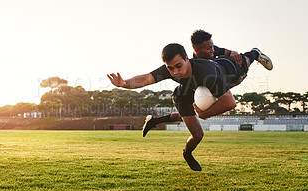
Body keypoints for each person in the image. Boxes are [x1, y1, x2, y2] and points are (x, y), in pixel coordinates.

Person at [107, 43, 272, 171]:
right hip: (183, 96)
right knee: (198, 134)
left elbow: (230, 102)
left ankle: (159, 125)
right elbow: (146, 78)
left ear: (187, 58)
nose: (175, 72)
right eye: (170, 68)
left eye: (178, 65)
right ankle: (188, 153)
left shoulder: (208, 72)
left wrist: (205, 113)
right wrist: (124, 84)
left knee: (193, 117)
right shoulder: (170, 69)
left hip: (203, 91)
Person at [141, 30, 273, 138]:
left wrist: (230, 52)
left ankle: (255, 53)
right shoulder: (194, 61)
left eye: (212, 47)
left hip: (228, 69)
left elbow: (216, 50)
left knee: (244, 61)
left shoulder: (209, 55)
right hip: (211, 82)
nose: (212, 50)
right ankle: (154, 121)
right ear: (196, 51)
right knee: (190, 114)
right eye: (209, 48)